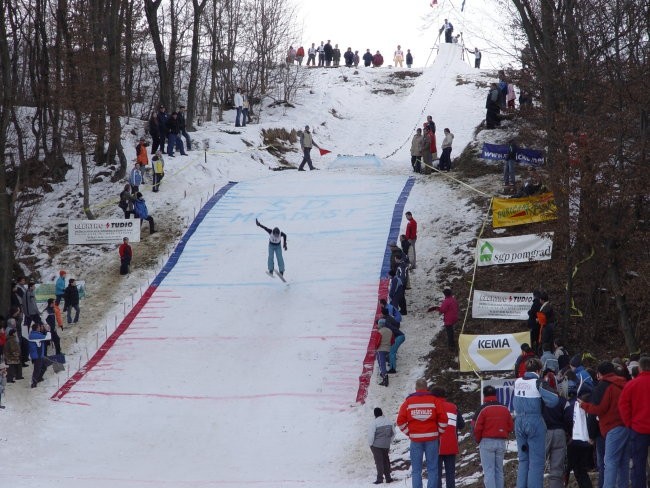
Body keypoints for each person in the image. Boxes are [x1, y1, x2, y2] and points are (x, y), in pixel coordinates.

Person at [579, 361, 629, 488]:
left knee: (609, 461)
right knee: (623, 461)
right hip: (627, 426)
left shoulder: (603, 386)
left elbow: (598, 409)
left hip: (612, 427)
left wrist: (583, 405)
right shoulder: (624, 383)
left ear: (599, 374)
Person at [513, 358, 559, 488]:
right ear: (539, 370)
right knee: (536, 462)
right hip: (534, 422)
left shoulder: (518, 382)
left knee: (523, 460)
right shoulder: (538, 382)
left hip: (519, 422)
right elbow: (554, 400)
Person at [397, 378, 448, 488]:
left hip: (415, 440)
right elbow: (444, 420)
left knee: (416, 470)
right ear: (427, 388)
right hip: (432, 439)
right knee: (433, 469)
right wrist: (438, 432)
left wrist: (409, 433)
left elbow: (400, 421)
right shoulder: (435, 400)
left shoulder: (408, 402)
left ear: (416, 389)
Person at [472, 384, 514, 488]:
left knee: (489, 471)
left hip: (486, 442)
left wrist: (478, 440)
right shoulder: (504, 408)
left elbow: (476, 427)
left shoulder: (482, 409)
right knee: (499, 471)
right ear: (496, 394)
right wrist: (504, 433)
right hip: (501, 442)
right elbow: (510, 426)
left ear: (484, 395)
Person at [618, 355, 650, 488]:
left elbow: (623, 405)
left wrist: (629, 423)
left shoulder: (632, 384)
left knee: (638, 465)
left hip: (638, 429)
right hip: (639, 427)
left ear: (639, 368)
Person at [431, 386, 465, 488]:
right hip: (451, 444)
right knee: (450, 474)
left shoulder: (432, 408)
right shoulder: (453, 407)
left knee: (437, 474)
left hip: (435, 445)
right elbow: (462, 425)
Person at [368, 407, 394, 484]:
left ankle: (379, 479)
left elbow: (371, 436)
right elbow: (393, 433)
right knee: (386, 460)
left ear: (375, 414)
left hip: (376, 445)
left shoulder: (374, 423)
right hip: (386, 445)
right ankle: (388, 477)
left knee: (379, 461)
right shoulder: (389, 421)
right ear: (381, 413)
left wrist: (371, 444)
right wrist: (389, 441)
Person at [28, 322, 49, 388]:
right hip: (37, 355)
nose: (40, 328)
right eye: (39, 327)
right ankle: (34, 383)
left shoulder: (36, 334)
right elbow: (48, 337)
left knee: (44, 366)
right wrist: (48, 330)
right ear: (37, 328)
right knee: (37, 369)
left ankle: (38, 378)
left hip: (39, 355)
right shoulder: (35, 335)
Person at [375, 319, 392, 387]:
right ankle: (384, 376)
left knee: (382, 364)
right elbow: (392, 340)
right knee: (384, 362)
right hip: (388, 349)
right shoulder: (390, 331)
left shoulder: (380, 332)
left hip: (380, 349)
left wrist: (376, 347)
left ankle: (385, 378)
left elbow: (377, 341)